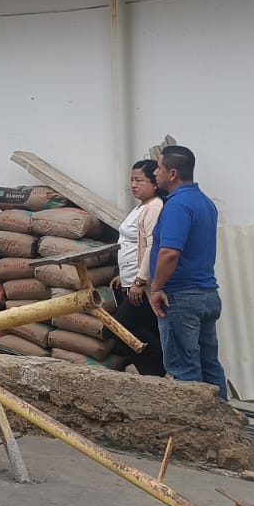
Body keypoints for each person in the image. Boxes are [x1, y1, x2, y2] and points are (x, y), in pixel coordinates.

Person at [148, 145, 228, 400]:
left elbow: (170, 253)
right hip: (206, 294)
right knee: (209, 365)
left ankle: (194, 424)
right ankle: (223, 419)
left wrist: (156, 288)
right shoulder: (204, 202)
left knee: (184, 369)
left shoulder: (178, 205)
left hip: (180, 298)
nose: (155, 173)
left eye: (159, 168)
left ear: (172, 174)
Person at [112, 160, 166, 376]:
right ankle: (157, 370)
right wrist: (122, 275)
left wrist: (139, 281)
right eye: (132, 180)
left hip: (143, 285)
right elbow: (133, 244)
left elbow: (152, 246)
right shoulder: (141, 206)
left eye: (139, 180)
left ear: (154, 183)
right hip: (132, 280)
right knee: (144, 328)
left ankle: (158, 368)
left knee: (120, 329)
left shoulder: (154, 207)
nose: (133, 185)